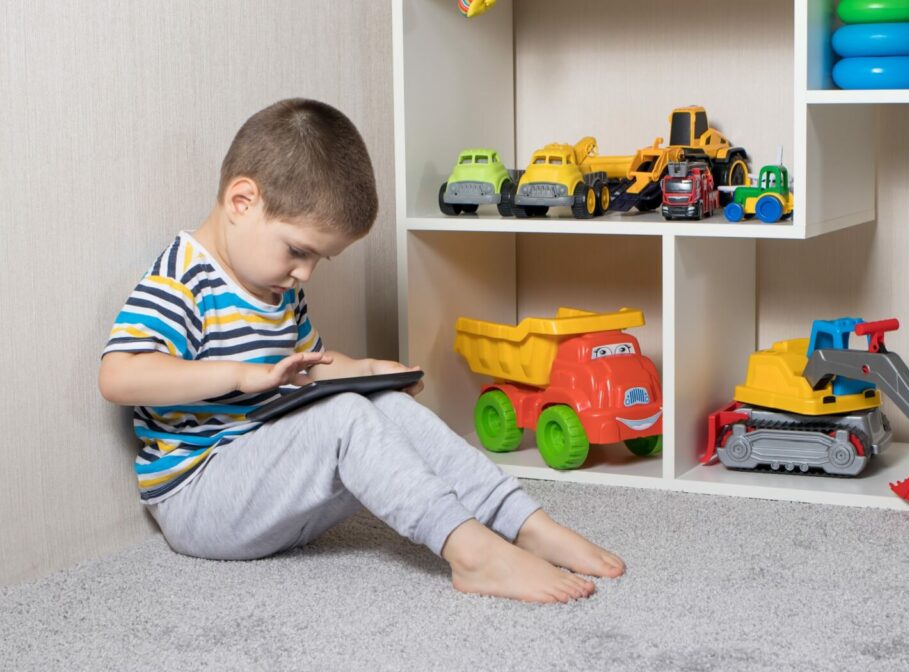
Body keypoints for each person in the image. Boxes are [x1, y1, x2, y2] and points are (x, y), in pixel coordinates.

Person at [98, 98, 625, 603]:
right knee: (345, 417)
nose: (304, 273)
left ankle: (524, 522)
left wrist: (370, 369)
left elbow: (311, 369)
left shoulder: (278, 288)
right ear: (242, 201)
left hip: (274, 487)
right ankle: (472, 553)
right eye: (298, 252)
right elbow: (119, 376)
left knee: (384, 405)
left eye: (317, 260)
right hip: (201, 498)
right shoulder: (180, 278)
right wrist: (237, 374)